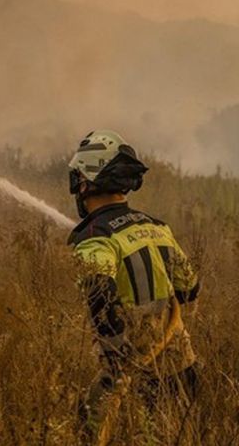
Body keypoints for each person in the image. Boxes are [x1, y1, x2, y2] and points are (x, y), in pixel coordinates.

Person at [66, 130, 200, 444]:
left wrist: (117, 357)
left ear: (85, 181)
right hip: (182, 368)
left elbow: (99, 292)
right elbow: (190, 288)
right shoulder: (156, 226)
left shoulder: (93, 235)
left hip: (131, 374)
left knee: (88, 430)